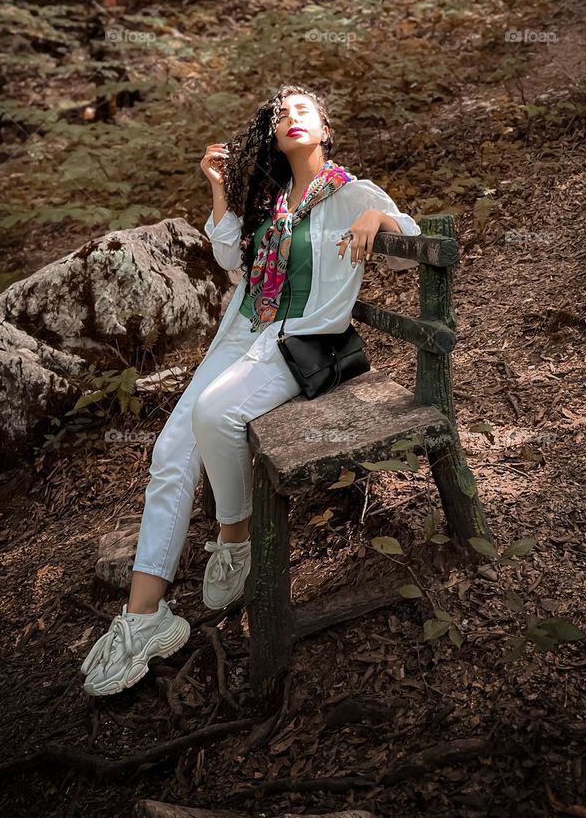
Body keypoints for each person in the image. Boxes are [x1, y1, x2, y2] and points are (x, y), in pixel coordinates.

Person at [80, 83, 422, 695]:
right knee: (168, 456)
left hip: (297, 344)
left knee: (214, 413)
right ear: (271, 134)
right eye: (280, 114)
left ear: (324, 126)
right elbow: (234, 263)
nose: (290, 118)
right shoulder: (272, 203)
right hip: (242, 335)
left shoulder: (353, 193)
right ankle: (144, 617)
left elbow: (406, 250)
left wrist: (381, 217)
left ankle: (233, 537)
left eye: (302, 110)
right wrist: (217, 189)